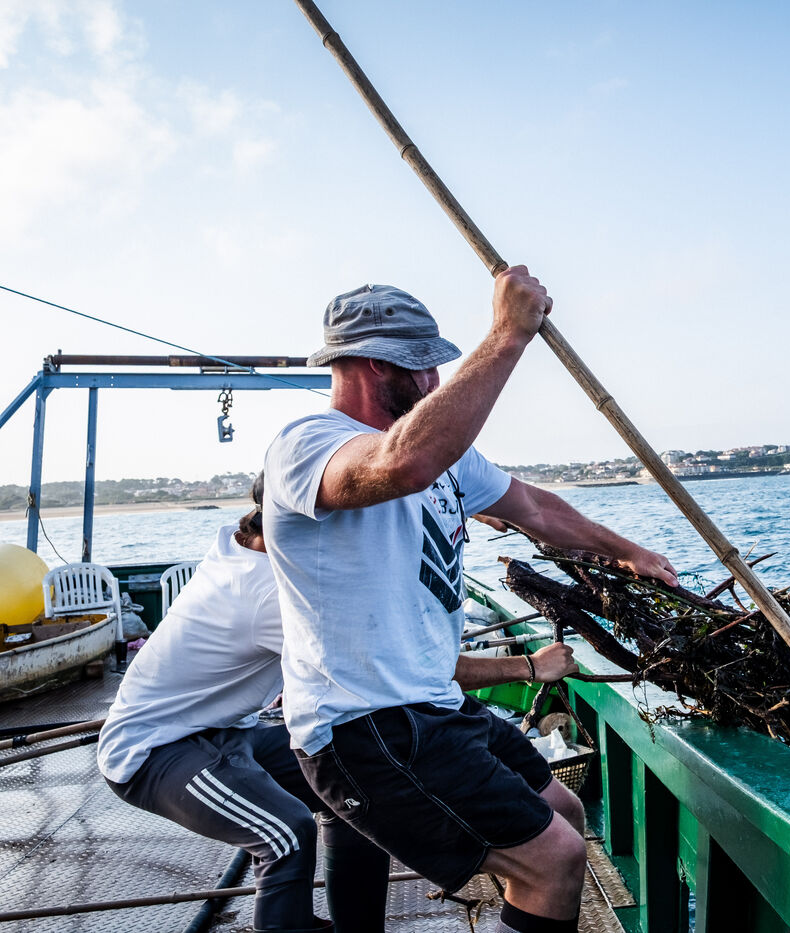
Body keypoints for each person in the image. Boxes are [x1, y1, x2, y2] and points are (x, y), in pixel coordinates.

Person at [262, 271, 677, 933]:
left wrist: (631, 552)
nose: (436, 380)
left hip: (433, 705)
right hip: (363, 726)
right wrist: (508, 335)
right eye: (424, 365)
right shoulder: (308, 444)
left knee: (565, 813)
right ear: (376, 364)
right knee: (554, 859)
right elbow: (400, 465)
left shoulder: (447, 454)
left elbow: (534, 507)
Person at [97, 477, 388, 933]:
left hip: (227, 731)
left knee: (354, 787)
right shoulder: (265, 591)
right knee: (286, 834)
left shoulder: (236, 546)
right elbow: (371, 666)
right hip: (153, 751)